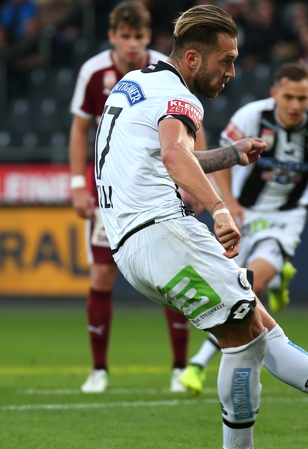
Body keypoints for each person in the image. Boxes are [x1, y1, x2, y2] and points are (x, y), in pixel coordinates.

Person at [95, 5, 308, 449]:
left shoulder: (135, 84)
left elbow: (165, 156)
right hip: (163, 232)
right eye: (227, 60)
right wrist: (219, 209)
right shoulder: (180, 98)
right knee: (245, 339)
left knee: (257, 322)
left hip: (136, 241)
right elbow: (175, 154)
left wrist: (232, 154)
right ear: (192, 58)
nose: (232, 72)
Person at [176, 61, 308, 396]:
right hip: (245, 212)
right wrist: (228, 201)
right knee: (236, 286)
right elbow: (225, 157)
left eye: (303, 98)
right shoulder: (251, 117)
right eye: (289, 97)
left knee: (252, 283)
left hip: (286, 217)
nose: (296, 105)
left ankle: (199, 362)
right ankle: (282, 277)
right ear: (274, 95)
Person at [69, 0, 207, 393]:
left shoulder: (166, 72)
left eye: (139, 36)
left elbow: (191, 127)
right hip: (110, 189)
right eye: (124, 36)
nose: (132, 44)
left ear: (150, 37)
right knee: (100, 274)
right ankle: (99, 370)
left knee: (175, 272)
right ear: (112, 36)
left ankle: (180, 367)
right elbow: (80, 130)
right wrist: (79, 185)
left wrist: (191, 180)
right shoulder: (93, 72)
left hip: (158, 187)